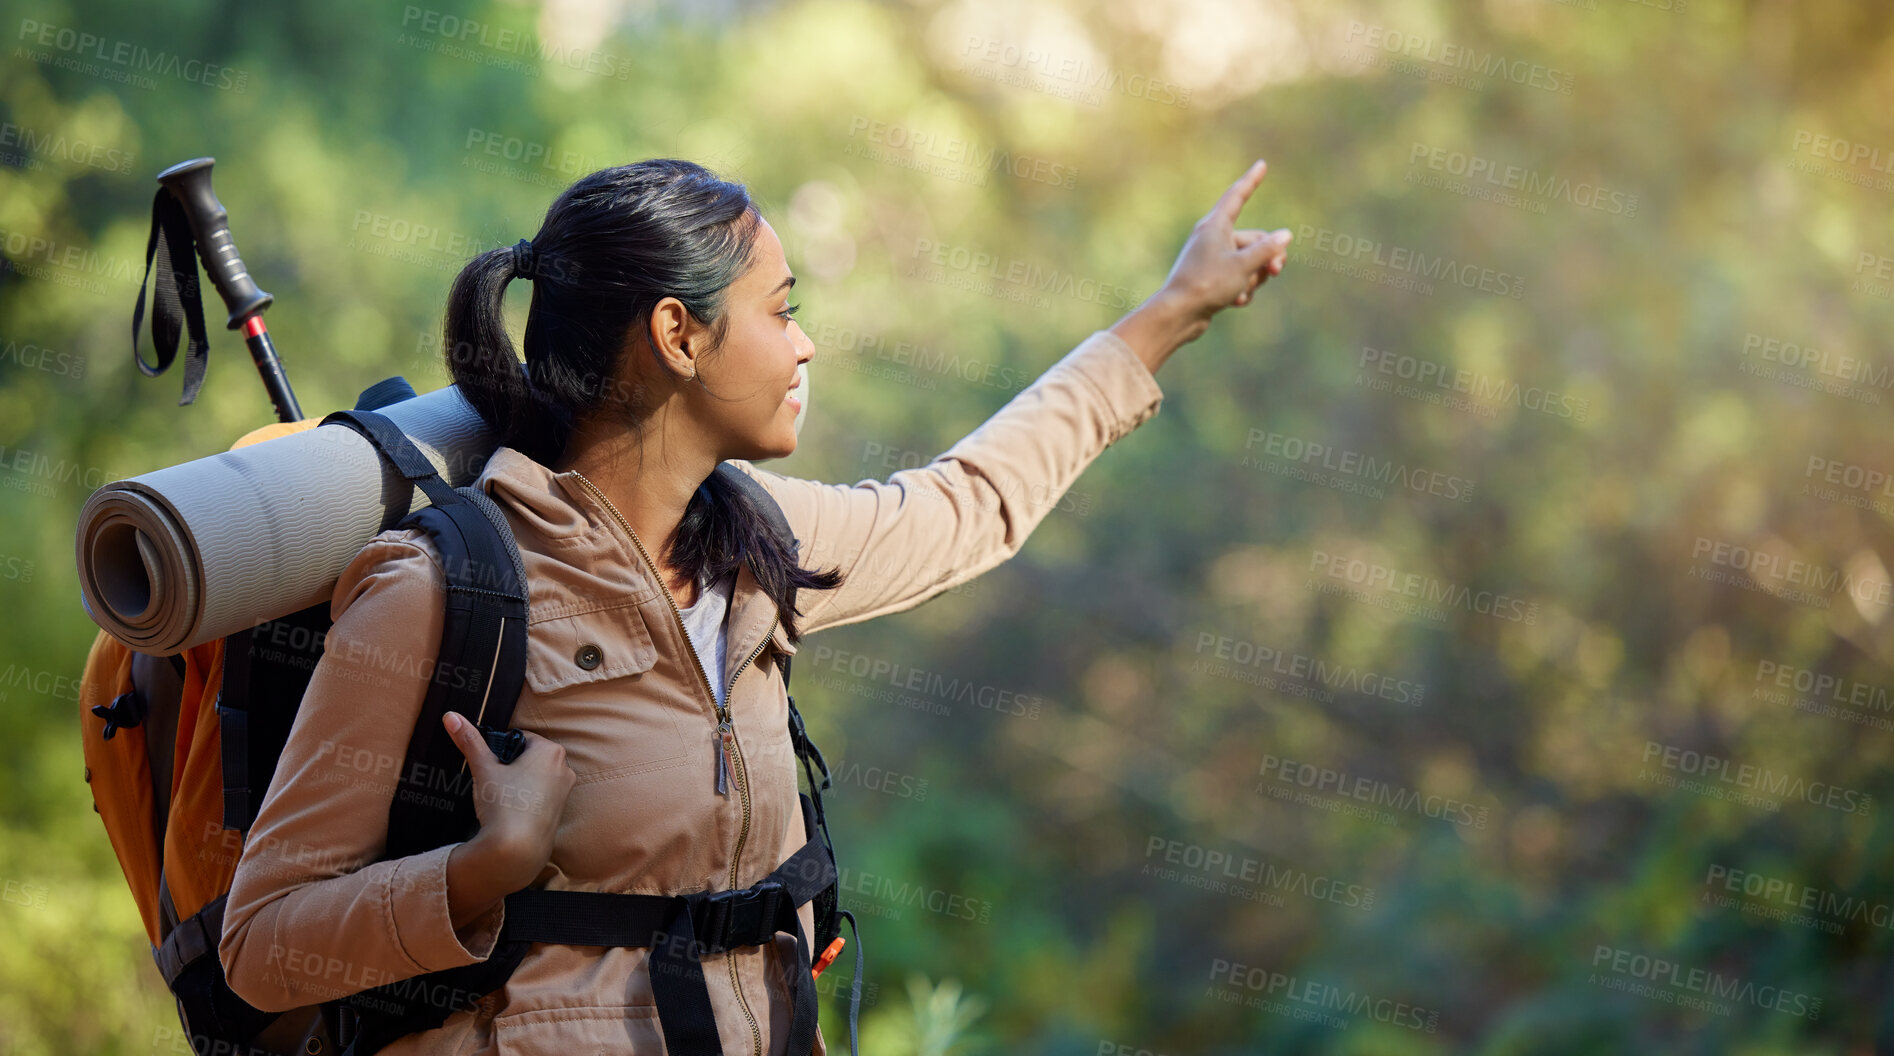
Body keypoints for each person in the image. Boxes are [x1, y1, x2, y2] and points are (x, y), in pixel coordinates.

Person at [217, 156, 1291, 1055]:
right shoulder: (437, 592)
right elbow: (263, 944)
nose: (804, 344)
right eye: (781, 312)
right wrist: (477, 872)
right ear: (678, 336)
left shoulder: (756, 545)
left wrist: (1169, 314)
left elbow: (965, 507)